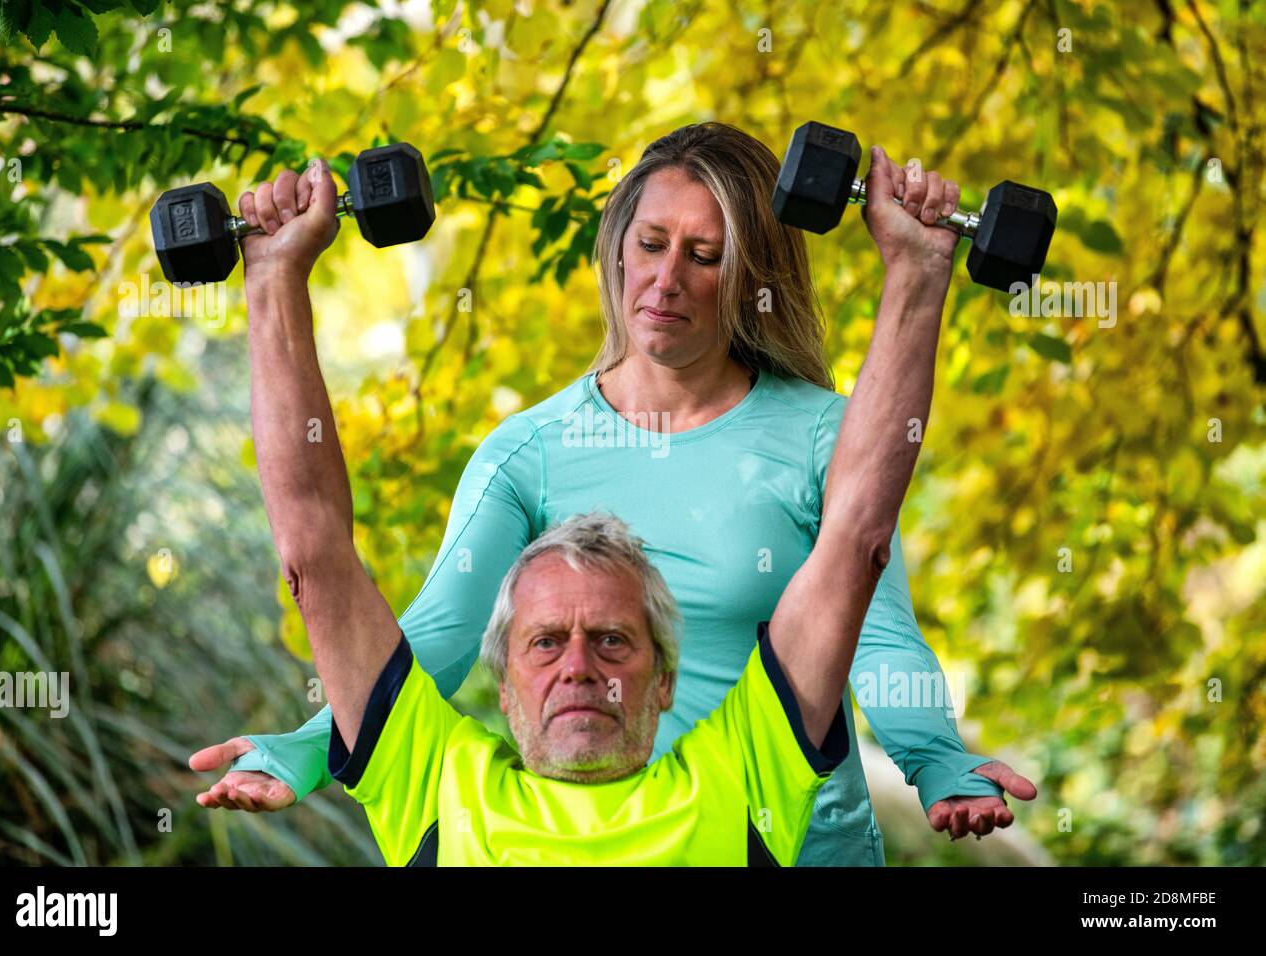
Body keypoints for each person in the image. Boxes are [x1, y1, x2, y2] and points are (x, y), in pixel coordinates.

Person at [191, 123, 1036, 863]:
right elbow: (430, 638)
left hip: (775, 828)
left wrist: (934, 758)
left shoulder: (825, 436)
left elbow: (876, 624)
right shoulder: (529, 451)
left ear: (751, 277)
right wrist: (309, 745)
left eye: (706, 258)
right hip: (574, 834)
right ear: (615, 248)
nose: (666, 281)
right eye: (650, 245)